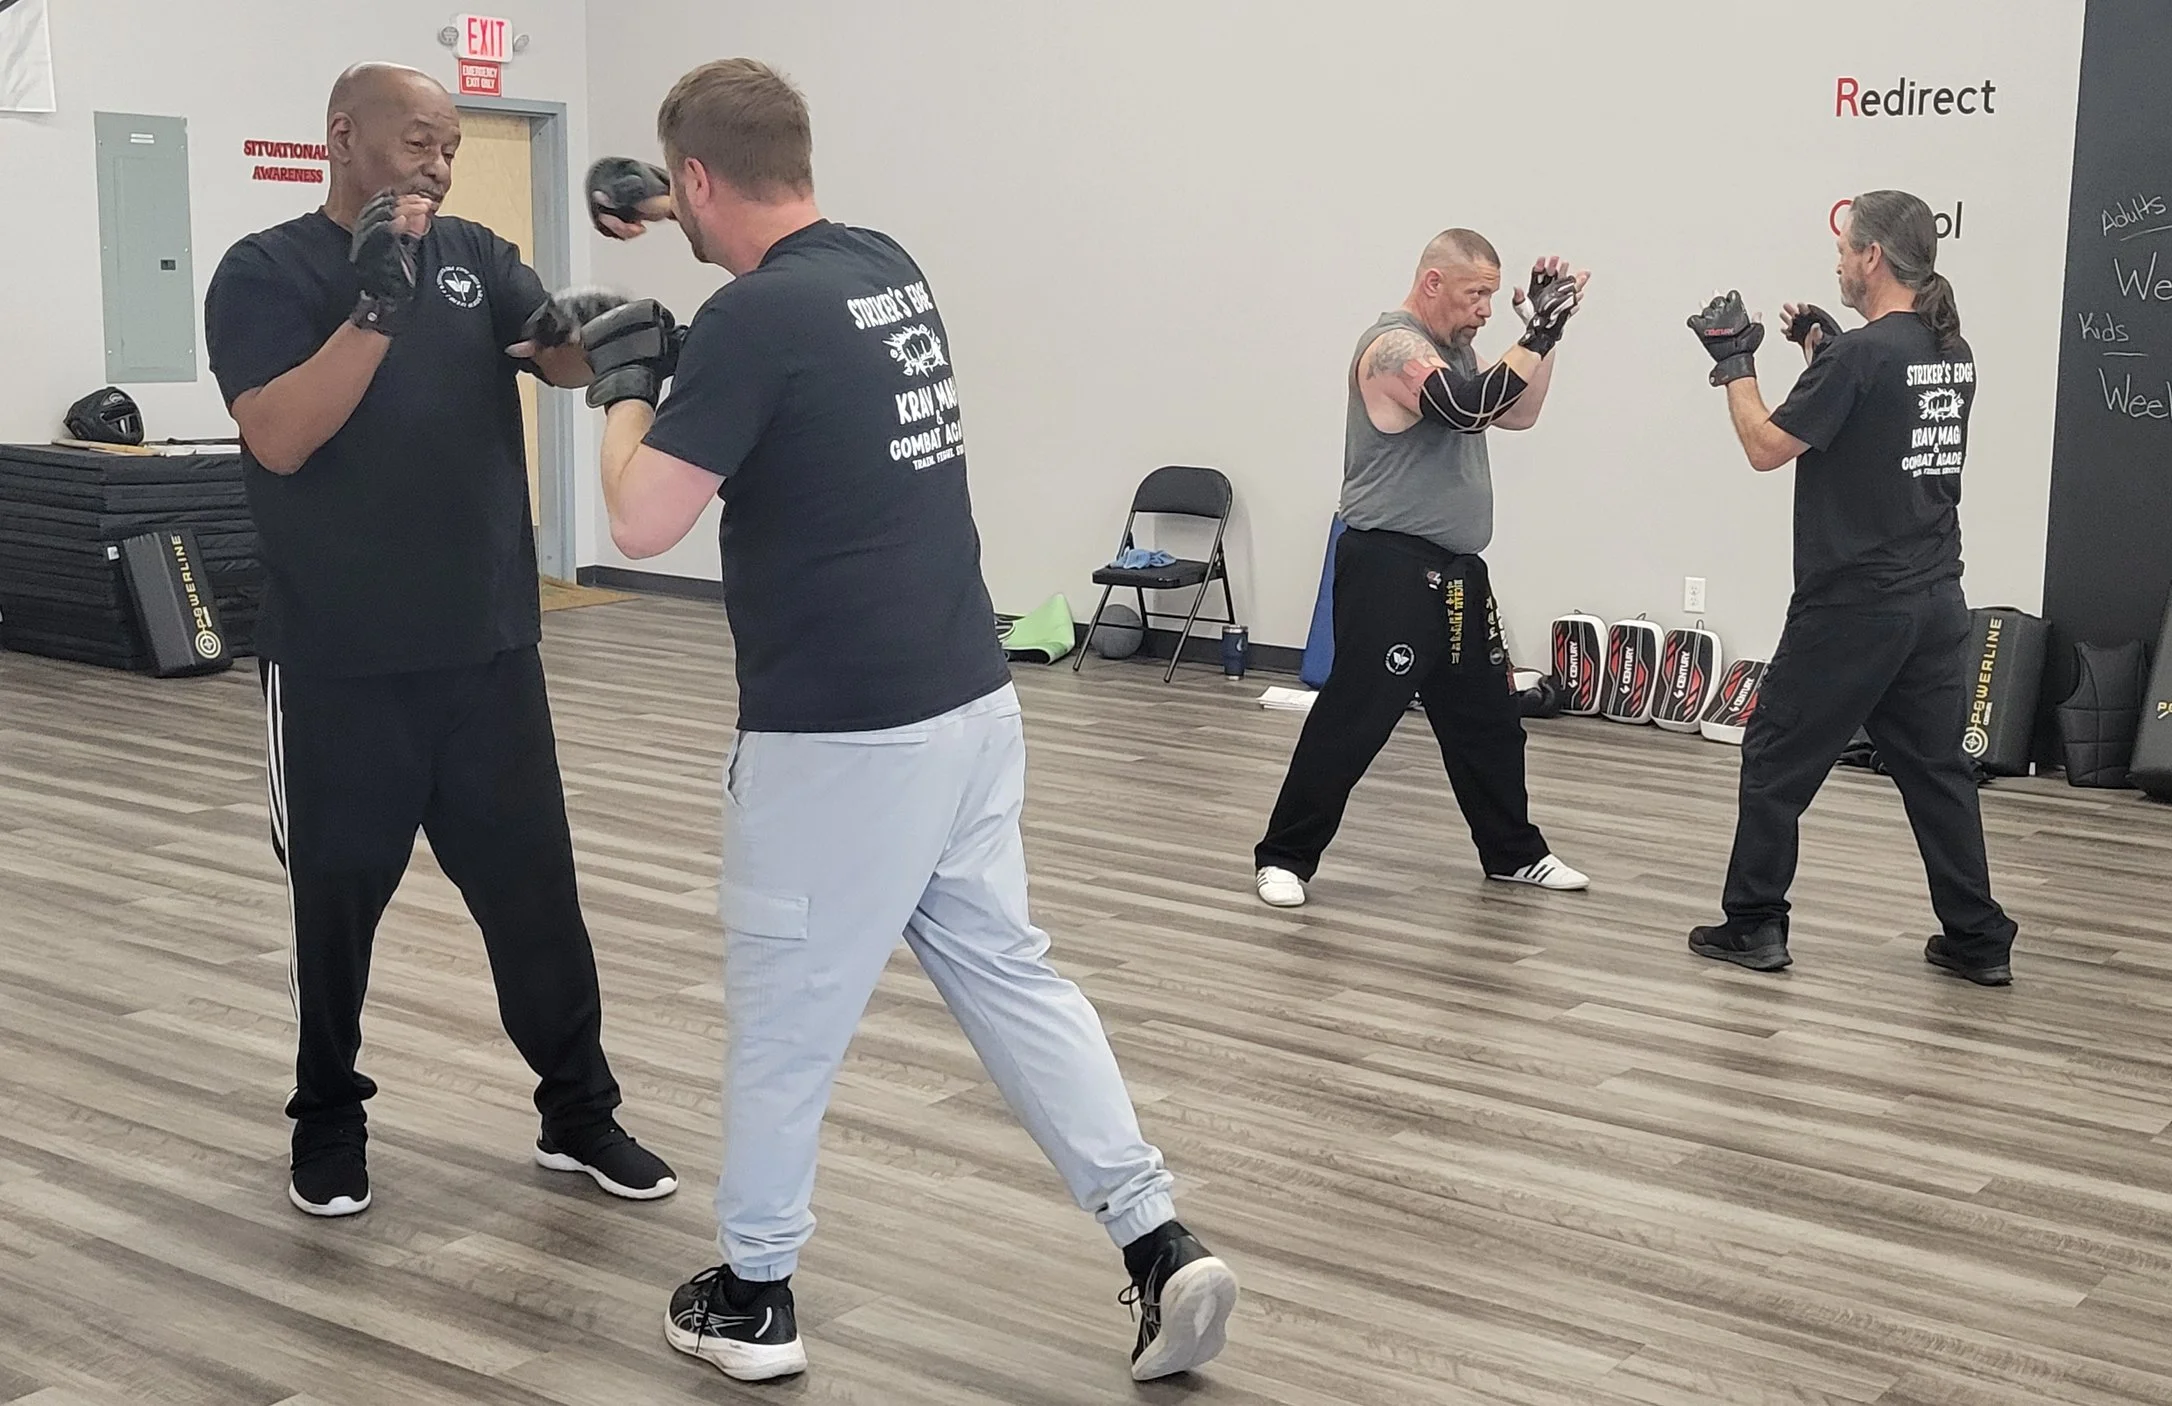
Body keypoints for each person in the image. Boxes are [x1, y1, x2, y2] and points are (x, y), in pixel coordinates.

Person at [580, 59, 1238, 1384]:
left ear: (701, 180)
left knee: (783, 1016)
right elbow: (757, 237)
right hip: (969, 703)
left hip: (840, 741)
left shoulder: (754, 325)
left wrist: (627, 383)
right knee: (1013, 978)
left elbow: (641, 517)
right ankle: (1157, 1239)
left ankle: (754, 1292)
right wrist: (667, 207)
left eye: (684, 197)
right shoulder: (885, 266)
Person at [200, 64, 677, 1218]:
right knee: (336, 907)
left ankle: (578, 1112)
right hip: (338, 663)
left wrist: (593, 334)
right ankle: (327, 1118)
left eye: (451, 144)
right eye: (419, 140)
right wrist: (375, 308)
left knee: (536, 901)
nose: (439, 162)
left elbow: (550, 358)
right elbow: (279, 439)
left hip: (488, 650)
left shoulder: (473, 250)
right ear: (343, 139)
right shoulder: (264, 271)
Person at [1682, 189, 2020, 986]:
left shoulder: (1863, 356)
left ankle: (1754, 925)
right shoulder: (1948, 349)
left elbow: (1768, 447)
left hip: (1854, 605)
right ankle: (1977, 937)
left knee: (1773, 754)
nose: (1836, 260)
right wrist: (1822, 347)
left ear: (1872, 257)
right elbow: (1872, 422)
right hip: (1935, 600)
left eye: (1844, 249)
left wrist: (1735, 361)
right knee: (1935, 771)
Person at [1251, 231, 1593, 909]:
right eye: (1476, 296)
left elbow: (1517, 412)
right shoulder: (1394, 349)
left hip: (1458, 571)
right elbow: (1466, 407)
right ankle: (1284, 857)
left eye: (1495, 299)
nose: (1486, 313)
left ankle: (1513, 854)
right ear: (1433, 283)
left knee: (1489, 718)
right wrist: (1534, 334)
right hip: (1390, 564)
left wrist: (1546, 337)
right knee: (1357, 715)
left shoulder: (1459, 351)